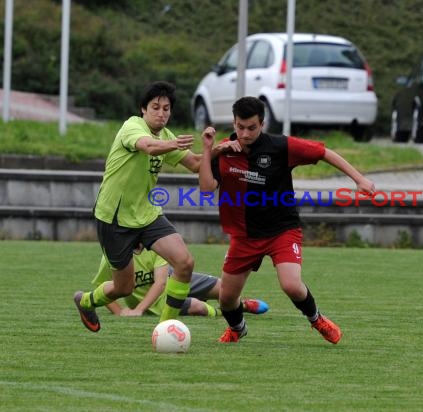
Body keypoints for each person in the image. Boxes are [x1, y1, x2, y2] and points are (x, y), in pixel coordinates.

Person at [199, 96, 376, 344]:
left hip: (281, 230)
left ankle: (316, 319)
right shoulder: (224, 152)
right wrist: (209, 150)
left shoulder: (280, 146)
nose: (245, 133)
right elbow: (207, 188)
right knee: (226, 298)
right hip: (244, 235)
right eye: (240, 127)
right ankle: (238, 329)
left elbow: (324, 152)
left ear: (262, 124)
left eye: (252, 127)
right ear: (234, 122)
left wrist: (359, 179)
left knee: (291, 285)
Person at [73, 81, 216, 332]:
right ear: (143, 109)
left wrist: (213, 149)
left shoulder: (166, 136)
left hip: (146, 214)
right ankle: (86, 301)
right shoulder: (132, 126)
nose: (161, 113)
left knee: (184, 262)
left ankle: (165, 327)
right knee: (123, 288)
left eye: (166, 108)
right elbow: (147, 146)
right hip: (113, 218)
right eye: (155, 107)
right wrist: (173, 145)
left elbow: (195, 164)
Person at [91, 246, 269, 317]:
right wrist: (119, 311)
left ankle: (243, 304)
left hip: (172, 278)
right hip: (160, 302)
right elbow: (101, 285)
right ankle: (224, 312)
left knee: (225, 288)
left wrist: (138, 310)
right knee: (199, 307)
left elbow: (160, 282)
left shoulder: (152, 246)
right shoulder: (114, 255)